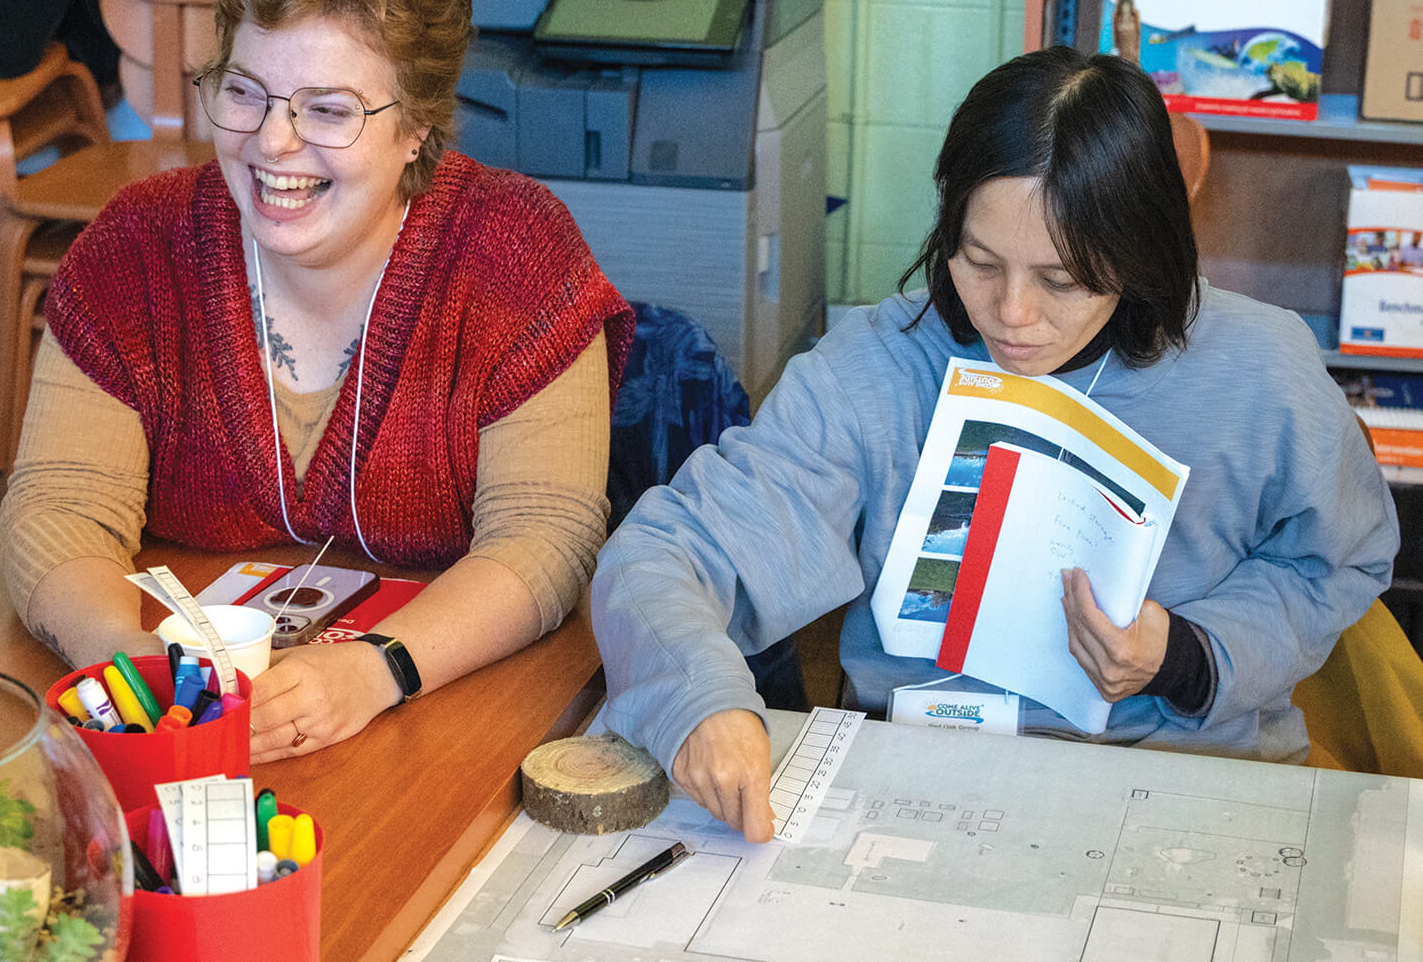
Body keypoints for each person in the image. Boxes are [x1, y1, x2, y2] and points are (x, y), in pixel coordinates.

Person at [591, 47, 1399, 843]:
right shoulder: (877, 369)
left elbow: (1340, 560)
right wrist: (701, 699)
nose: (1011, 314)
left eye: (1062, 280)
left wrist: (1191, 655)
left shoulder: (1261, 369)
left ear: (1142, 251)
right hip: (925, 786)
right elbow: (667, 555)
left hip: (1187, 780)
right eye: (980, 262)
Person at [1, 0, 634, 764]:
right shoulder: (136, 248)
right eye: (244, 93)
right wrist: (129, 662)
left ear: (417, 128)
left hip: (440, 723)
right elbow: (60, 506)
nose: (272, 142)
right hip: (187, 735)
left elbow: (546, 537)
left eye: (328, 110)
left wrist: (380, 671)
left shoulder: (516, 253)